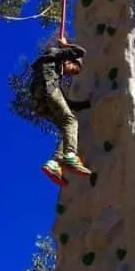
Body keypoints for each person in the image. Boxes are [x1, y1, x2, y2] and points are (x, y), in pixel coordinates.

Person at [30, 35, 92, 187]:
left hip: (40, 102)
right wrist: (65, 45)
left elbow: (68, 103)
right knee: (71, 121)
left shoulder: (53, 75)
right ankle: (70, 156)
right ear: (68, 61)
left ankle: (54, 163)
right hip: (47, 91)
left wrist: (88, 104)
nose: (71, 73)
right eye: (73, 69)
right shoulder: (53, 55)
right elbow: (80, 51)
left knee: (67, 128)